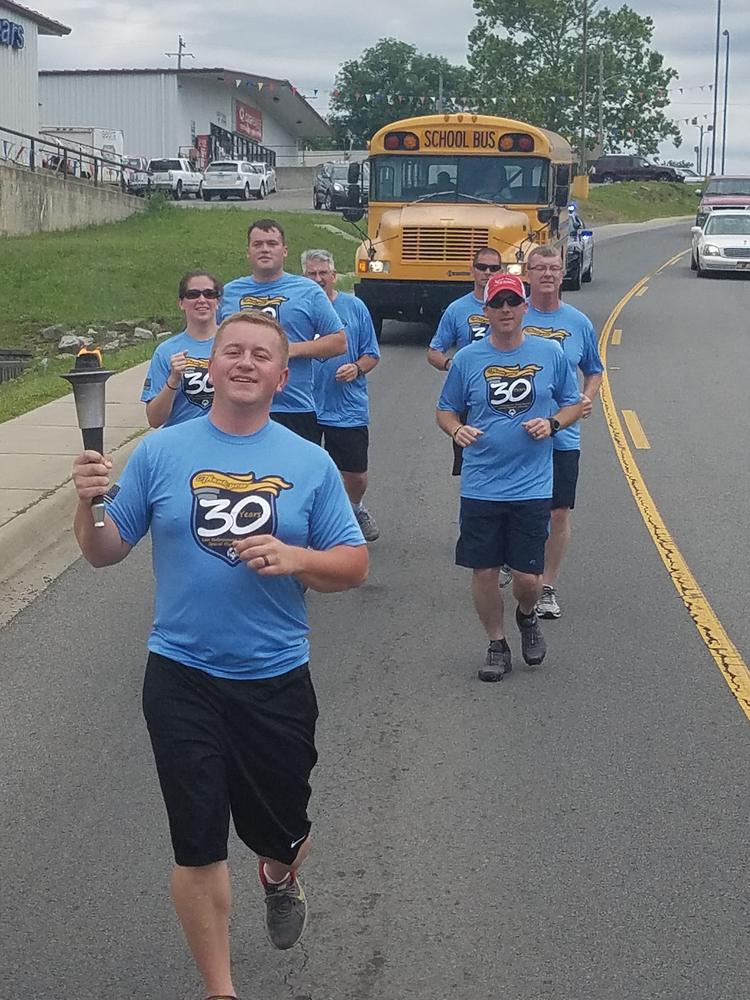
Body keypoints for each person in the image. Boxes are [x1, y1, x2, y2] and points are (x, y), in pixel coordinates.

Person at [72, 311, 368, 1000]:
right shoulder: (161, 453)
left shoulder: (307, 462)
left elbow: (352, 566)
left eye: (260, 354)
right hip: (181, 673)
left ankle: (280, 873)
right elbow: (104, 552)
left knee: (283, 833)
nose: (243, 361)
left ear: (280, 375)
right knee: (197, 839)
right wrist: (83, 506)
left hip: (274, 677)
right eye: (230, 350)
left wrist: (296, 557)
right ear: (211, 362)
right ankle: (220, 989)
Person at [436, 273, 583, 682]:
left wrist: (552, 424)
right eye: (496, 303)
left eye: (512, 303)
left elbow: (574, 404)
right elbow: (445, 409)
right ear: (486, 311)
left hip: (531, 485)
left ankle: (526, 614)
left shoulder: (549, 353)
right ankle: (496, 644)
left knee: (526, 579)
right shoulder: (468, 359)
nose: (504, 310)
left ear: (524, 307)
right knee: (483, 570)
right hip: (481, 484)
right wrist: (455, 429)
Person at [522, 245, 603, 619]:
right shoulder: (513, 314)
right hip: (516, 433)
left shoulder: (578, 322)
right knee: (522, 509)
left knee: (557, 513)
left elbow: (594, 368)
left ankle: (547, 586)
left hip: (563, 434)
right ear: (528, 273)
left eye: (554, 268)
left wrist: (585, 400)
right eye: (540, 268)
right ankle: (518, 565)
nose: (548, 275)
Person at [218, 218, 346, 442]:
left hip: (293, 408)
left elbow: (339, 342)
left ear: (284, 251)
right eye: (257, 244)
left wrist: (290, 350)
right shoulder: (229, 292)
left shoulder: (307, 290)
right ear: (248, 251)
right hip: (238, 407)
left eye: (272, 243)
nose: (265, 249)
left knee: (294, 476)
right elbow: (210, 342)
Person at [302, 249, 382, 542]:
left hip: (346, 407)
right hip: (304, 406)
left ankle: (355, 508)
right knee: (302, 472)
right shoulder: (297, 309)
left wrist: (357, 368)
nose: (319, 278)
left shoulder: (355, 307)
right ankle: (306, 528)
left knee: (356, 475)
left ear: (334, 276)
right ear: (303, 277)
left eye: (324, 273)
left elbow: (372, 354)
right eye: (312, 273)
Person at [141, 272, 221, 427]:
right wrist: (173, 380)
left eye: (209, 294)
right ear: (181, 303)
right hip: (181, 442)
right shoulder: (166, 351)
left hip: (225, 440)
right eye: (193, 294)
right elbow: (155, 420)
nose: (202, 300)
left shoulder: (234, 345)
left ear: (218, 301)